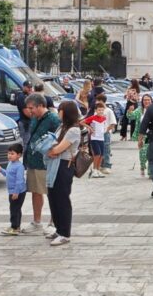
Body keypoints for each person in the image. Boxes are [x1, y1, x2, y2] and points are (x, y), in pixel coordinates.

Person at [44, 101, 82, 246]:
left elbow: (57, 149)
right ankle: (58, 229)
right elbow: (52, 146)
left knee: (62, 199)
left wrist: (51, 150)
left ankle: (65, 233)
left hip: (64, 166)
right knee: (52, 196)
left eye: (60, 110)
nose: (58, 112)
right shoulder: (62, 126)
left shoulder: (73, 130)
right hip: (54, 164)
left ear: (66, 112)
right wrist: (51, 150)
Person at [23, 93, 59, 230]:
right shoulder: (34, 119)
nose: (29, 111)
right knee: (35, 191)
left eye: (31, 108)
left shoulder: (53, 119)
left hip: (47, 162)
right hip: (33, 161)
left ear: (41, 106)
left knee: (52, 193)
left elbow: (60, 138)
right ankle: (36, 221)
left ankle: (54, 222)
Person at [0, 143, 27, 236]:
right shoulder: (10, 164)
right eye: (8, 153)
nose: (9, 155)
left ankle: (14, 227)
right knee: (16, 209)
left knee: (14, 210)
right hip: (13, 191)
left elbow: (19, 181)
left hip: (18, 192)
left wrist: (16, 192)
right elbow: (7, 174)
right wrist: (1, 170)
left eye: (12, 153)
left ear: (19, 155)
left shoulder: (19, 166)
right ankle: (16, 226)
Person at [82, 99, 114, 179]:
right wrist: (90, 128)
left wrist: (106, 130)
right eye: (99, 110)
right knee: (97, 154)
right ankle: (94, 170)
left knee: (102, 155)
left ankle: (98, 169)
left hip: (101, 139)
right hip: (94, 138)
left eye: (102, 110)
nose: (101, 111)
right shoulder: (92, 117)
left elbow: (106, 126)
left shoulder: (104, 118)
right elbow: (82, 122)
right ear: (96, 110)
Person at [128, 93, 152, 176]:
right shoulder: (139, 110)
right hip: (142, 135)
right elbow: (131, 116)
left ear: (151, 101)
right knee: (143, 153)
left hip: (152, 135)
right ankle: (142, 166)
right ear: (142, 101)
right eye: (145, 100)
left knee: (152, 153)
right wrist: (130, 111)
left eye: (148, 100)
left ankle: (150, 172)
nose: (146, 101)